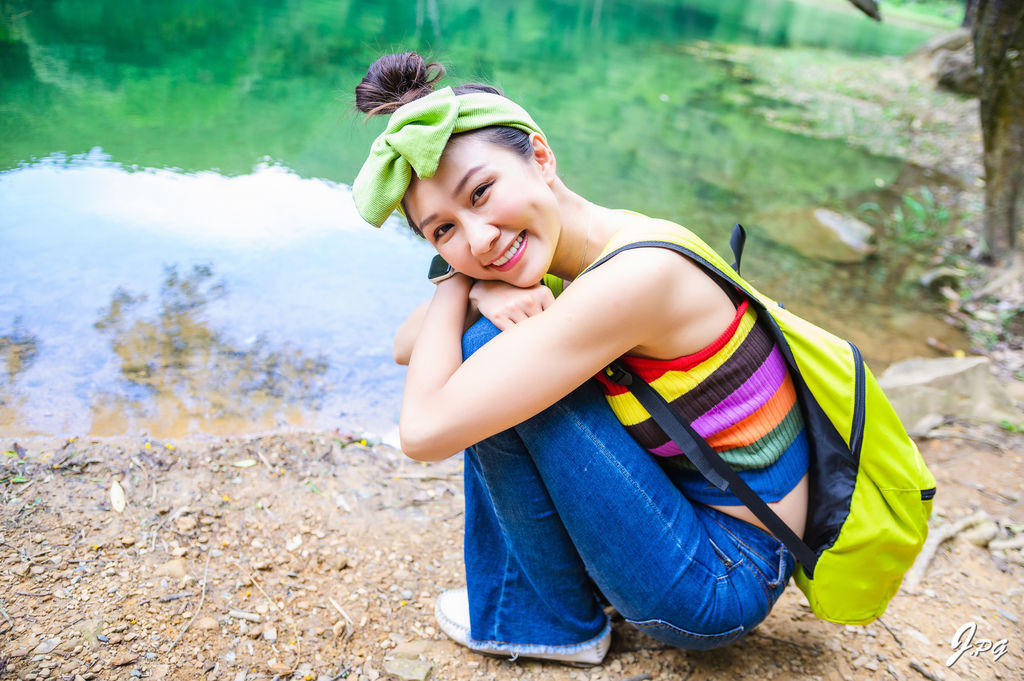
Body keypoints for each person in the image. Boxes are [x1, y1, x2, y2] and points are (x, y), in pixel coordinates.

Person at [352, 52, 810, 666]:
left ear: (541, 157)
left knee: (488, 352)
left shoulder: (636, 278)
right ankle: (554, 599)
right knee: (490, 341)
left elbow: (423, 431)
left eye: (481, 192)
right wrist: (476, 287)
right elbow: (405, 345)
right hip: (704, 525)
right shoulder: (598, 242)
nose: (480, 237)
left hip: (726, 577)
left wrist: (459, 276)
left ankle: (544, 622)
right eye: (443, 230)